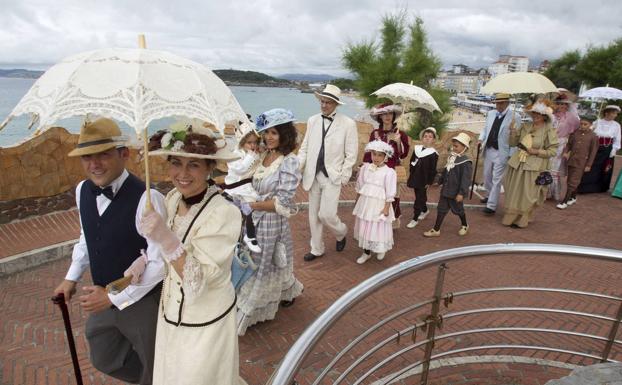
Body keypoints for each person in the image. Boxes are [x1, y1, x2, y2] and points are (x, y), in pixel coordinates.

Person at [53, 117, 166, 385]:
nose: (94, 164)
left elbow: (160, 264)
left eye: (103, 155)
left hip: (142, 300)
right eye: (87, 157)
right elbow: (87, 237)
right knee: (103, 357)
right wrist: (71, 277)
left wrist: (114, 298)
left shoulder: (149, 199)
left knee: (155, 360)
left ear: (123, 154)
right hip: (101, 293)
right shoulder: (82, 190)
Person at [140, 122, 246, 384]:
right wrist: (143, 259)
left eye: (194, 165)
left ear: (211, 168)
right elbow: (164, 255)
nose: (182, 173)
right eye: (176, 162)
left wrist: (166, 238)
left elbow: (198, 279)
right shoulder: (173, 198)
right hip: (170, 316)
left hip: (206, 323)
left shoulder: (225, 213)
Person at [237, 108, 304, 336]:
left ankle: (258, 306)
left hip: (269, 222)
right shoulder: (263, 155)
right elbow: (242, 172)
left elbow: (283, 202)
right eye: (266, 133)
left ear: (285, 134)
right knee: (260, 260)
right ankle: (286, 291)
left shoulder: (289, 162)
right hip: (251, 218)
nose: (268, 137)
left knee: (263, 262)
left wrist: (252, 205)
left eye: (274, 133)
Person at [297, 84, 358, 262]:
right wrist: (298, 166)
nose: (324, 105)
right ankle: (316, 249)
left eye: (328, 102)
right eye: (322, 101)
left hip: (333, 176)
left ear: (336, 104)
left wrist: (344, 174)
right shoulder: (312, 120)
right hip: (312, 175)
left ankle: (341, 232)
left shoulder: (348, 124)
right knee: (313, 215)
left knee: (326, 215)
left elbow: (352, 153)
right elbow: (305, 147)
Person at [502, 100, 559, 228]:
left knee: (528, 194)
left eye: (538, 114)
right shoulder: (525, 126)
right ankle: (511, 217)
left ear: (544, 116)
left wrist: (537, 151)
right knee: (513, 191)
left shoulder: (549, 130)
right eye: (534, 113)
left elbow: (553, 151)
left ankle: (522, 219)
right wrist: (512, 132)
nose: (536, 116)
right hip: (518, 163)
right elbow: (513, 143)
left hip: (534, 167)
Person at [363, 103, 410, 227]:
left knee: (391, 197)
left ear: (394, 116)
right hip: (376, 172)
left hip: (391, 171)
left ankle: (390, 223)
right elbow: (369, 153)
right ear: (380, 117)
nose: (387, 116)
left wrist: (399, 142)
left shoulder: (401, 134)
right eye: (384, 114)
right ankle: (374, 220)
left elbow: (403, 155)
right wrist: (364, 168)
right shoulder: (375, 133)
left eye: (390, 113)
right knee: (375, 197)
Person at [353, 140, 397, 264]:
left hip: (379, 204)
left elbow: (390, 192)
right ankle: (366, 252)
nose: (376, 158)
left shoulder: (389, 172)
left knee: (378, 226)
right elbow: (360, 186)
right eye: (374, 154)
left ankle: (380, 248)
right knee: (365, 226)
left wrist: (386, 208)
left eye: (380, 155)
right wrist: (357, 203)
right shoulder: (365, 168)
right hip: (366, 203)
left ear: (385, 157)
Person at [477, 93, 522, 215]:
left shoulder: (515, 117)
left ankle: (491, 205)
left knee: (497, 179)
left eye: (502, 103)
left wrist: (511, 153)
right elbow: (485, 129)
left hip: (502, 152)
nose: (499, 105)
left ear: (507, 103)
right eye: (497, 102)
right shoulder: (491, 114)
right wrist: (481, 139)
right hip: (489, 148)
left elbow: (516, 138)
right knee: (486, 175)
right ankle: (488, 195)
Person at [423, 132, 473, 237]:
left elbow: (466, 180)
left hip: (455, 193)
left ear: (464, 147)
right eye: (453, 145)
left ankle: (464, 224)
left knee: (459, 210)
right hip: (446, 190)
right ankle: (436, 229)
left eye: (456, 146)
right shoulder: (452, 158)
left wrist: (461, 193)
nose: (454, 148)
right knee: (441, 209)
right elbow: (446, 172)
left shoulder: (466, 162)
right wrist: (439, 181)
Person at [224, 130, 262, 253]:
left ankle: (250, 235)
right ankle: (230, 240)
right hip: (234, 187)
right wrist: (252, 156)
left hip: (247, 187)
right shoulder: (234, 154)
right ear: (242, 142)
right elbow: (241, 169)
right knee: (231, 216)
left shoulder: (255, 154)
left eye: (255, 142)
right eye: (249, 142)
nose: (252, 146)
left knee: (252, 207)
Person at [556, 115, 599, 209]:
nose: (583, 126)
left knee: (573, 181)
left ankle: (565, 201)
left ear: (590, 124)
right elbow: (569, 144)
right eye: (581, 124)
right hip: (572, 160)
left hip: (582, 162)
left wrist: (589, 165)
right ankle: (573, 197)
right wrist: (566, 152)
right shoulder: (575, 133)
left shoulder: (593, 136)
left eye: (585, 124)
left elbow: (593, 152)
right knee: (570, 180)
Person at [578, 105, 621, 193]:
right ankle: (585, 187)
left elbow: (617, 139)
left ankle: (600, 188)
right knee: (592, 166)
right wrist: (591, 128)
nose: (615, 115)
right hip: (596, 147)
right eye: (613, 113)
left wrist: (614, 149)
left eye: (616, 113)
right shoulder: (597, 122)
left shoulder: (616, 125)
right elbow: (588, 132)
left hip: (608, 149)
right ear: (606, 112)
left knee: (605, 168)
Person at [549, 91, 580, 201]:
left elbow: (575, 132)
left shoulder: (572, 118)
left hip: (562, 144)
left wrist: (568, 147)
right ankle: (546, 193)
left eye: (563, 104)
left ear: (567, 105)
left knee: (555, 169)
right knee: (547, 167)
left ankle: (555, 193)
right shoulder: (552, 116)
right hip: (550, 144)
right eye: (559, 104)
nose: (561, 106)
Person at [406, 127, 439, 228]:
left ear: (433, 140)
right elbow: (411, 161)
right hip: (415, 176)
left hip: (424, 179)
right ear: (422, 138)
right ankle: (425, 210)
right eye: (425, 136)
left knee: (419, 197)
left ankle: (415, 218)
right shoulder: (417, 149)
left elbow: (432, 169)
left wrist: (429, 182)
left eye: (430, 137)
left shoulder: (433, 153)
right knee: (419, 196)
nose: (427, 138)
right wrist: (412, 172)